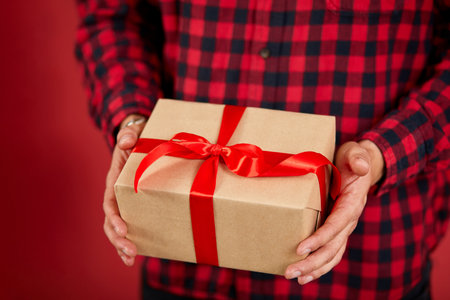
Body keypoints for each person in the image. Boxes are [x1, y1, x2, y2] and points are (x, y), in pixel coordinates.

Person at [75, 0, 449, 298]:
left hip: (362, 269)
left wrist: (381, 154)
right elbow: (112, 16)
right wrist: (132, 122)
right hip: (180, 257)